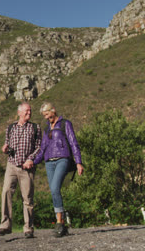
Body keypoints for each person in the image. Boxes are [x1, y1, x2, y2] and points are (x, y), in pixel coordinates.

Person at [33, 102, 84, 237]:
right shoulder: (46, 129)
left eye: (47, 114)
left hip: (63, 158)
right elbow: (43, 148)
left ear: (53, 110)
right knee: (54, 192)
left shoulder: (65, 124)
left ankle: (60, 223)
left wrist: (78, 162)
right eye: (44, 115)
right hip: (49, 162)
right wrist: (33, 162)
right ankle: (61, 224)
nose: (46, 117)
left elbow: (73, 143)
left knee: (55, 188)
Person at [0, 102, 41, 239]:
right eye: (26, 111)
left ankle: (28, 228)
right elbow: (8, 145)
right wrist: (5, 148)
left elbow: (39, 147)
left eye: (30, 111)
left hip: (27, 168)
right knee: (6, 193)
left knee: (27, 198)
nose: (29, 113)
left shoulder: (35, 127)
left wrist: (30, 159)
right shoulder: (10, 128)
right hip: (11, 165)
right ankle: (5, 226)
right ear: (19, 112)